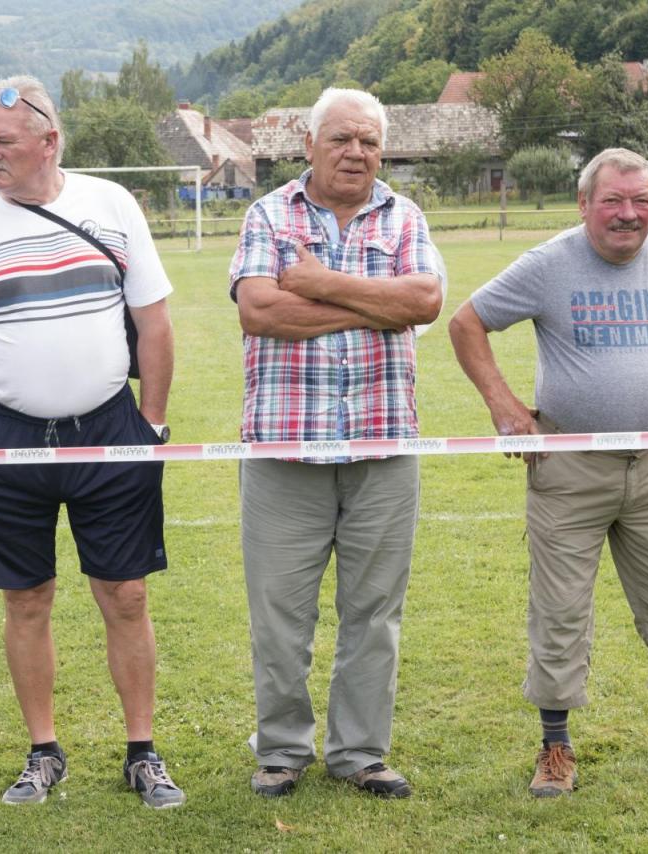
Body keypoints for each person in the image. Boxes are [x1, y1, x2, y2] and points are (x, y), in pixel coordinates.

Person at [447, 147, 648, 798]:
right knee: (559, 612)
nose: (628, 214)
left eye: (641, 201)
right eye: (613, 200)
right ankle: (555, 746)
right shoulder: (549, 264)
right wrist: (504, 406)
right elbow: (466, 323)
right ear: (585, 204)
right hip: (569, 469)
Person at [0, 75, 184, 809]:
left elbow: (155, 321)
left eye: (3, 141)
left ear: (49, 140)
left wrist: (152, 423)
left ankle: (142, 752)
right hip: (3, 436)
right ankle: (43, 751)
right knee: (26, 599)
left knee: (126, 595)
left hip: (109, 428)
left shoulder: (111, 204)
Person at [228, 87, 443, 799]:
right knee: (280, 616)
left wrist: (321, 284)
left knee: (374, 614)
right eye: (342, 138)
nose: (356, 152)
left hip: (383, 448)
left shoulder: (405, 216)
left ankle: (359, 753)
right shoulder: (269, 214)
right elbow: (259, 311)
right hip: (284, 451)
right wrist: (373, 305)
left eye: (369, 141)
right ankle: (282, 750)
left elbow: (424, 302)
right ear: (309, 144)